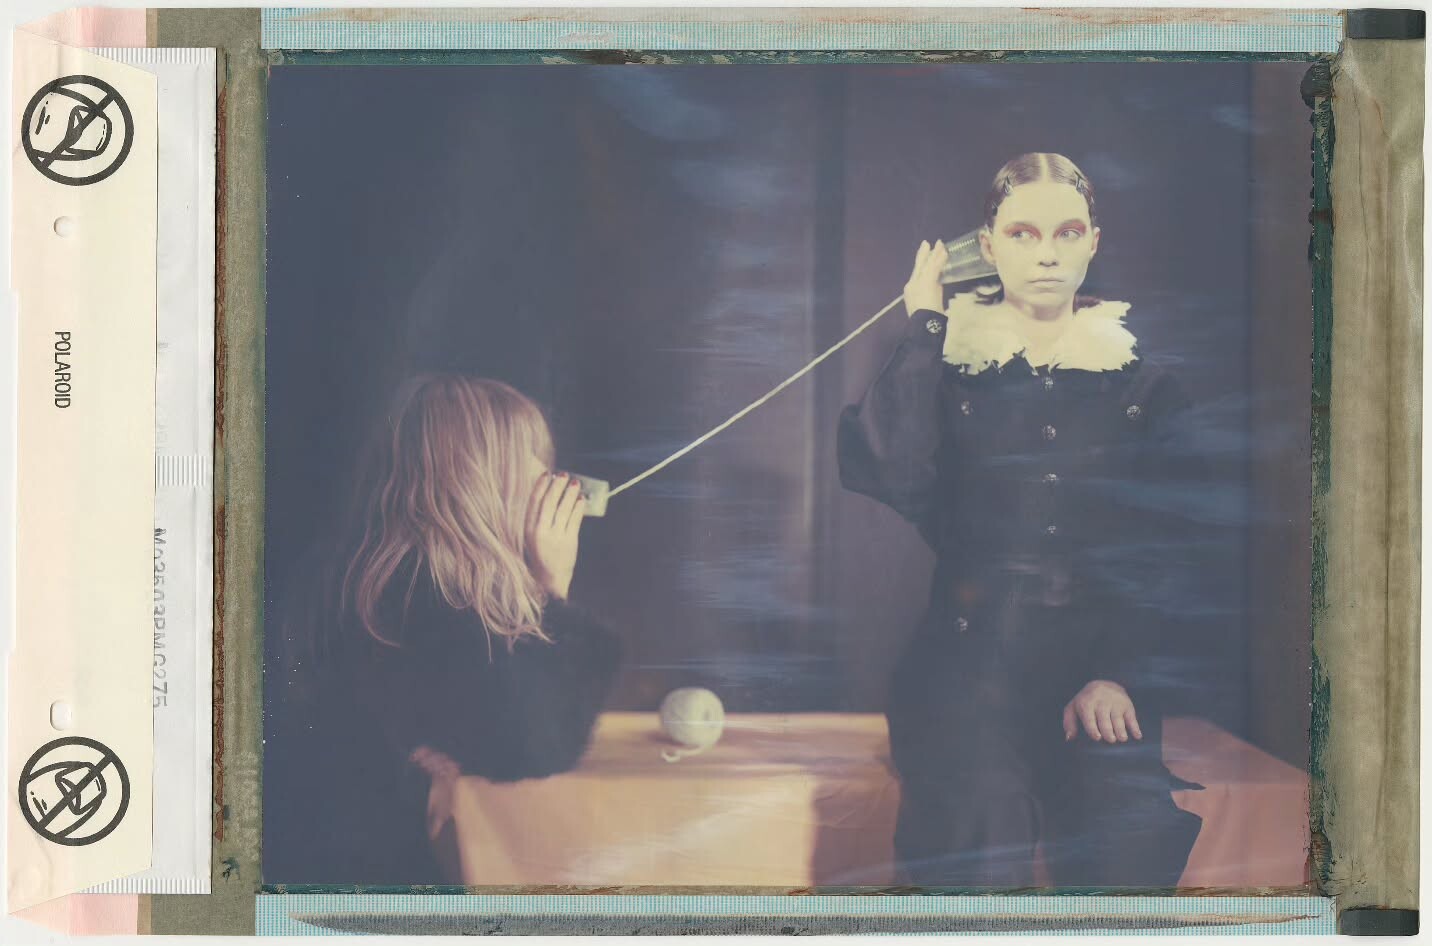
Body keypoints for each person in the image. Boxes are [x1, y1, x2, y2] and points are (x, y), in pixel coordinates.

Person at [838, 153, 1204, 887]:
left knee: (1124, 828)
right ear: (988, 245)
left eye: (1066, 233)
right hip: (966, 668)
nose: (1046, 254)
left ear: (1093, 242)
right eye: (1022, 233)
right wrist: (925, 323)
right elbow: (894, 472)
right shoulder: (945, 366)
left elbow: (1170, 550)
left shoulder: (1145, 383)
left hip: (1095, 669)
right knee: (980, 819)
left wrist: (1116, 673)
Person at [266, 374, 622, 885]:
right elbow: (537, 744)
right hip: (365, 885)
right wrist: (553, 585)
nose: (548, 477)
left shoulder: (370, 573)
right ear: (479, 472)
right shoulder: (426, 594)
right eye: (531, 457)